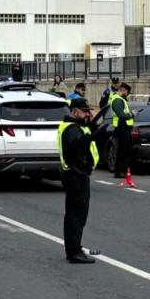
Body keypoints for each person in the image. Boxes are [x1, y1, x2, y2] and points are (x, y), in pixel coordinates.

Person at [58, 97, 100, 264]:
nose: (87, 114)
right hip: (76, 176)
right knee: (77, 215)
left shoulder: (73, 126)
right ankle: (74, 251)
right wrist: (95, 135)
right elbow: (78, 144)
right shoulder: (73, 129)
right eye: (84, 112)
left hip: (74, 174)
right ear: (74, 112)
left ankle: (74, 248)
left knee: (74, 214)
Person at [108, 82, 140, 186]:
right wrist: (132, 114)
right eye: (127, 92)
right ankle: (119, 171)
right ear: (123, 90)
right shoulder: (117, 100)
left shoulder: (120, 99)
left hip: (124, 128)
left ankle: (122, 170)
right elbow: (121, 115)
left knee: (125, 150)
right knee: (122, 151)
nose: (127, 95)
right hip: (122, 128)